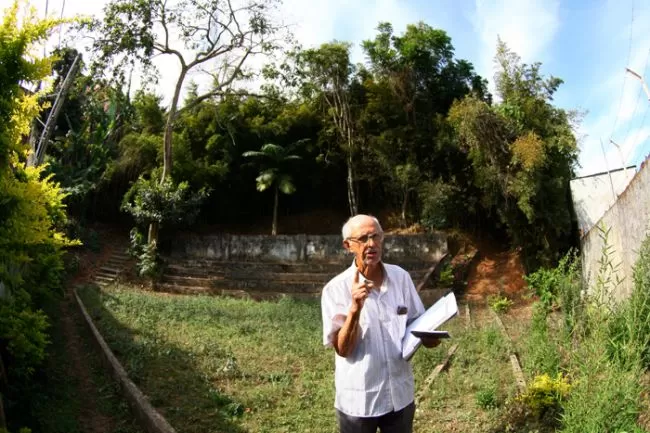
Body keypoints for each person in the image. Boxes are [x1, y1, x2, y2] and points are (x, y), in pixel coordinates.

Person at [321, 214, 440, 433]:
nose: (372, 244)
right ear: (348, 245)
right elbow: (343, 349)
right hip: (360, 400)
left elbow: (417, 322)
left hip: (399, 394)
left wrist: (432, 336)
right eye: (363, 238)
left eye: (376, 236)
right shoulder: (335, 289)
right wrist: (355, 308)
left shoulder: (400, 277)